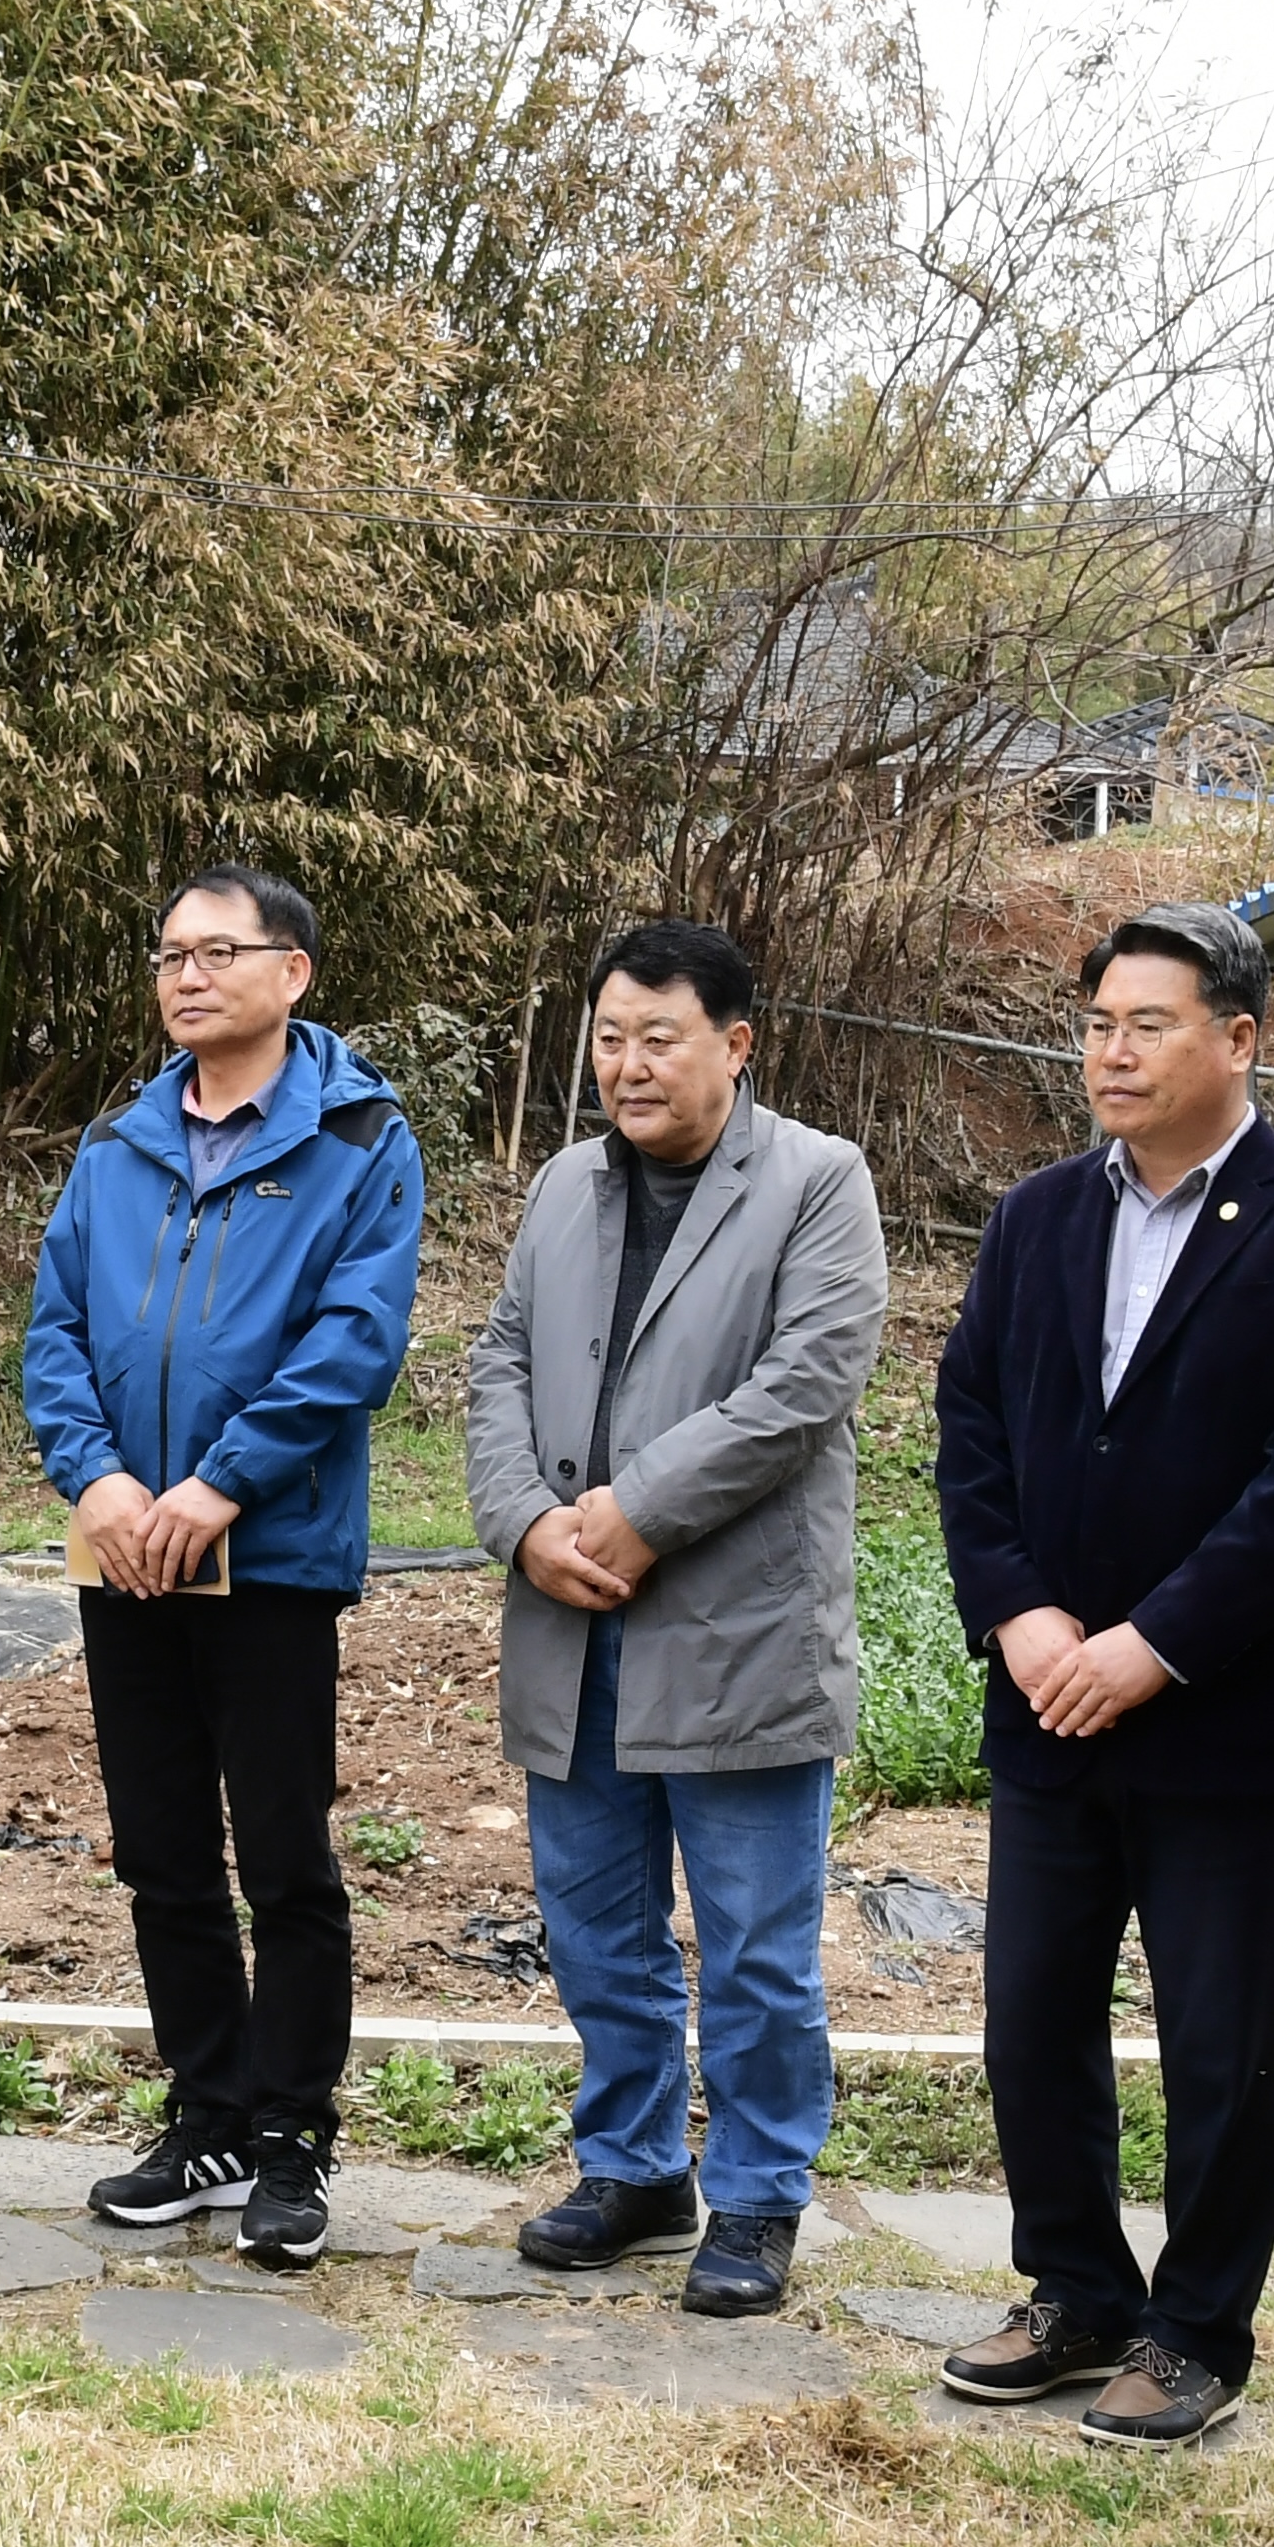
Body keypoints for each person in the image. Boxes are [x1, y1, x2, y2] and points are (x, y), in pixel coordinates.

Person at [929, 899, 1274, 2446]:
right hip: (1048, 1698)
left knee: (1217, 2039)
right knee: (1031, 2015)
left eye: (1148, 1023)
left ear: (1237, 1038)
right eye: (1097, 1024)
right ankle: (1076, 2287)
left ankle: (1199, 2328)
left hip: (1224, 1721)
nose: (1110, 1052)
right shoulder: (1039, 1216)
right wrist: (1024, 1620)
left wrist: (1150, 1645)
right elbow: (974, 1431)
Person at [464, 922, 888, 2315]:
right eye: (609, 1039)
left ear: (736, 1044)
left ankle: (760, 2195)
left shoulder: (820, 1182)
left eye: (660, 1038)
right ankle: (634, 2164)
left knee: (757, 1942)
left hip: (733, 1632)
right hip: (569, 1618)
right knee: (597, 1927)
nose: (628, 1067)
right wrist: (527, 1520)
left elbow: (804, 1381)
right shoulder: (561, 1187)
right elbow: (501, 1364)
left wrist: (633, 1510)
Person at [31, 862, 426, 2270]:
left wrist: (216, 1485)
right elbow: (55, 1331)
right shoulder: (118, 1142)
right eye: (169, 955)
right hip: (127, 1549)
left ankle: (290, 2135)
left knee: (284, 1853)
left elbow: (354, 1343)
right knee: (160, 1850)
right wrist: (108, 1481)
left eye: (218, 951)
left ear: (292, 972)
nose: (187, 975)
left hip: (269, 1555)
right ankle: (203, 2109)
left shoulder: (360, 1139)